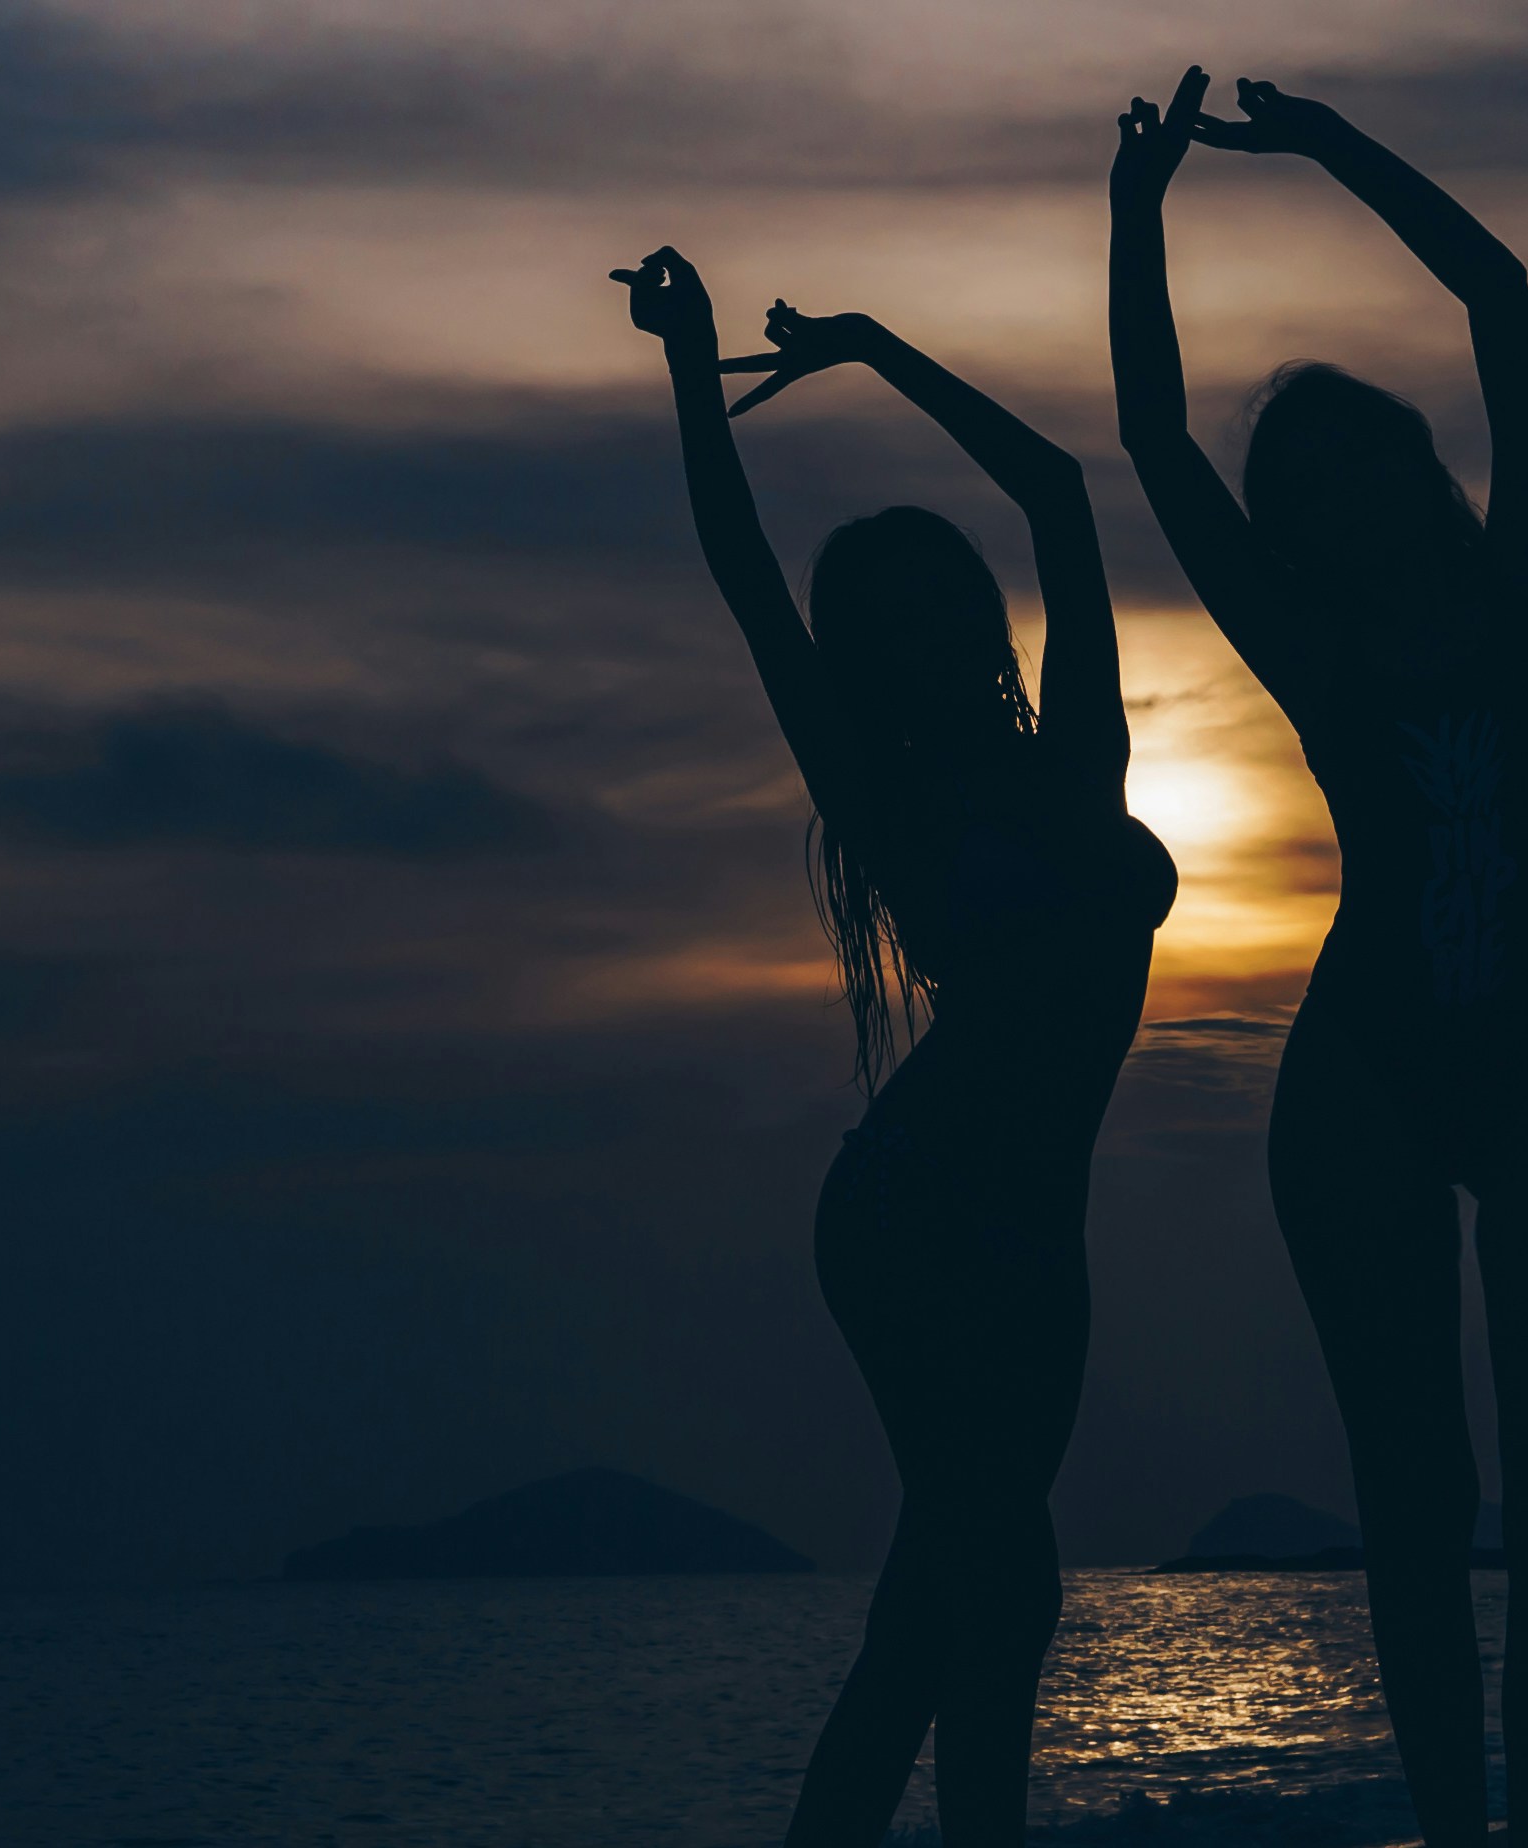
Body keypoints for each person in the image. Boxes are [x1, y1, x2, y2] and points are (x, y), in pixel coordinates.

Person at [1104, 71, 1528, 1848]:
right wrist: (1140, 207)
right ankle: (1452, 1826)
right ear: (1297, 530)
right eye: (1305, 484)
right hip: (1367, 1089)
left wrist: (1328, 147)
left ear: (1420, 468)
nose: (1338, 491)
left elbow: (1501, 303)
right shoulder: (1316, 657)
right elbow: (1156, 442)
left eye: (1361, 454)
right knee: (1417, 1500)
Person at [611, 247, 1174, 1847]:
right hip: (918, 1216)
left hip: (1039, 1232)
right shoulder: (889, 796)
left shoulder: (1079, 751)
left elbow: (1063, 495)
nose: (926, 629)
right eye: (889, 616)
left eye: (943, 596)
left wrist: (877, 348)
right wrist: (690, 367)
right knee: (987, 1588)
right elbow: (741, 573)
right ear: (864, 652)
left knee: (970, 1601)